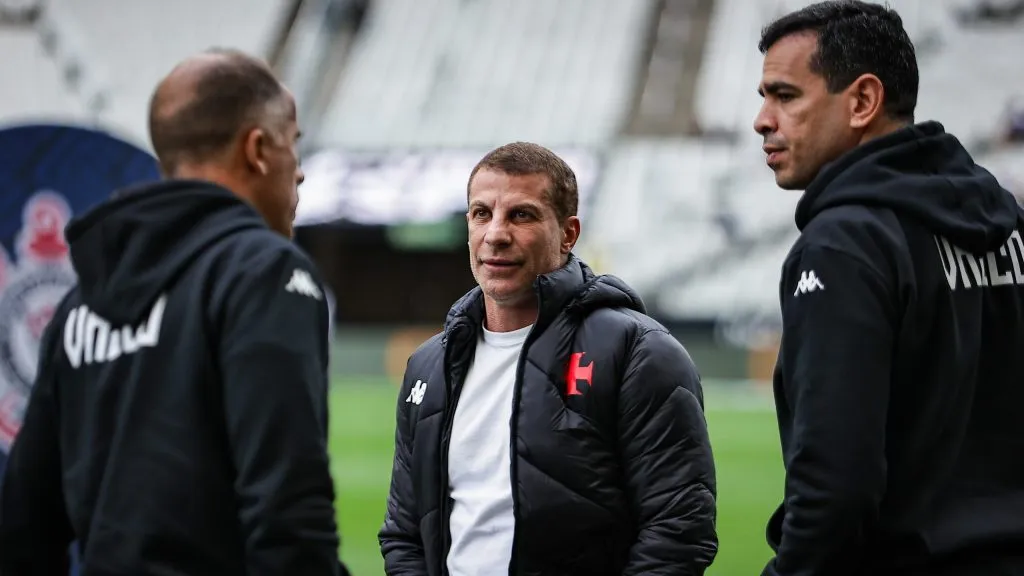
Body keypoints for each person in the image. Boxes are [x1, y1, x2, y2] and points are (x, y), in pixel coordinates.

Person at [0, 48, 347, 575]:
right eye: (291, 147)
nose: (297, 175)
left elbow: (25, 527)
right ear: (257, 149)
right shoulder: (264, 272)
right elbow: (288, 512)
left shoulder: (78, 304)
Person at [754, 2, 1024, 574]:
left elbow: (836, 484)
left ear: (862, 101)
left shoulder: (844, 244)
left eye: (785, 96)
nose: (762, 119)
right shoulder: (1008, 226)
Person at [378, 142, 718, 575]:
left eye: (521, 215)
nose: (495, 234)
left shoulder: (639, 352)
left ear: (569, 233)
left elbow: (679, 530)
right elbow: (404, 532)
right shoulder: (429, 365)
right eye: (482, 213)